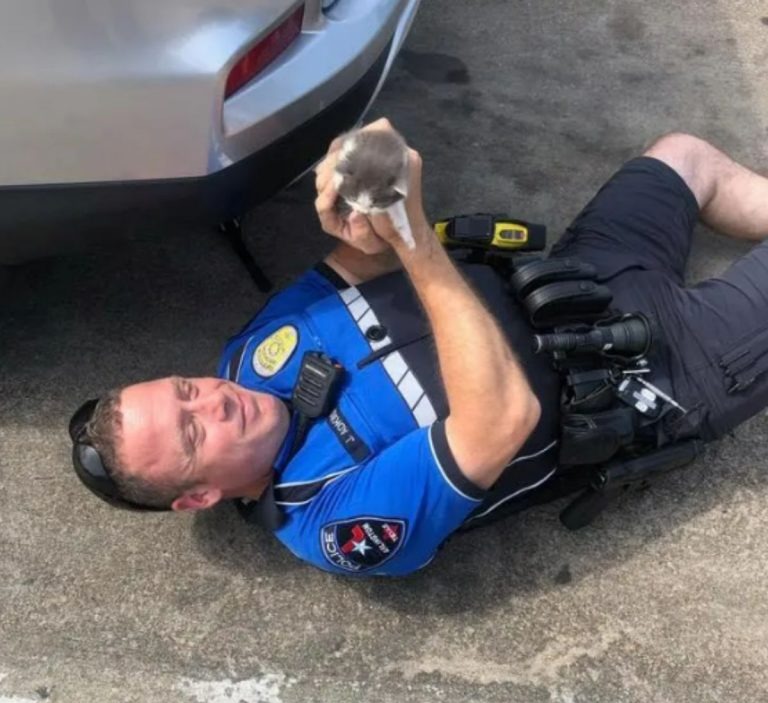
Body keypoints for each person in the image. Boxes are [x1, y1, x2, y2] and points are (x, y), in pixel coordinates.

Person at [70, 118, 768, 576]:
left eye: (186, 390)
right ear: (198, 496)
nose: (216, 400)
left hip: (577, 275)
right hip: (664, 370)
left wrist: (360, 193)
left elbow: (356, 266)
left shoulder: (252, 357)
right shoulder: (333, 523)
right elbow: (502, 420)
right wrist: (415, 241)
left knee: (682, 157)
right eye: (192, 432)